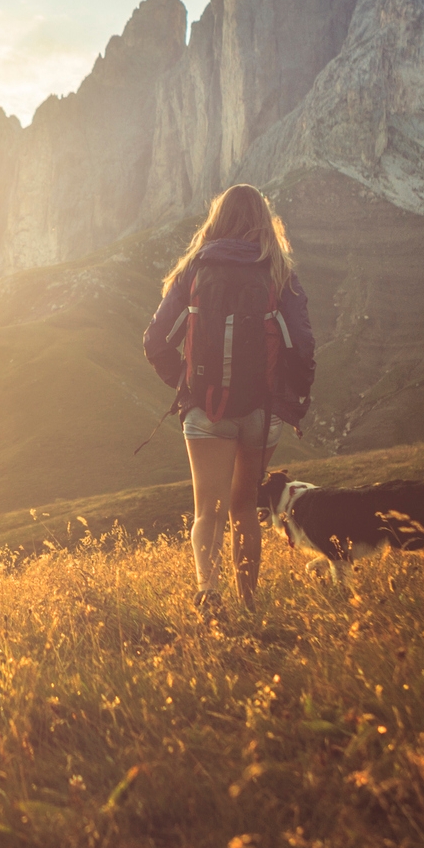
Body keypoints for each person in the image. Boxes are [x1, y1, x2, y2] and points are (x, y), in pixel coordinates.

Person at [143, 184, 316, 613]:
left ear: (216, 219)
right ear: (264, 221)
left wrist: (182, 384)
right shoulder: (279, 272)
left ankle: (210, 593)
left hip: (205, 410)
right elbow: (305, 347)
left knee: (209, 512)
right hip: (264, 411)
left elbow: (153, 341)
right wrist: (291, 396)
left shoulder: (194, 270)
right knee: (244, 508)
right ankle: (250, 604)